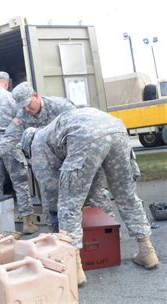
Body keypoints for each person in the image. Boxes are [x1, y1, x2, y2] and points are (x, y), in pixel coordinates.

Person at [21, 107, 159, 286]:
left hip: (86, 135)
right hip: (116, 128)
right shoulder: (52, 129)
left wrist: (55, 224)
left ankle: (76, 267)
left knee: (69, 203)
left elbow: (51, 192)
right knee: (127, 196)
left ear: (27, 146)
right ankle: (147, 251)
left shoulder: (37, 143)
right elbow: (95, 180)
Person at [0, 81, 114, 226]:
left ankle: (110, 228)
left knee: (94, 192)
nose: (26, 109)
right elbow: (10, 137)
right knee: (50, 199)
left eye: (28, 104)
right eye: (22, 107)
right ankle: (56, 236)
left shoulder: (61, 106)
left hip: (73, 158)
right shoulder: (22, 116)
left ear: (36, 95)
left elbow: (82, 130)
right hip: (49, 166)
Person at [0, 72, 37, 234]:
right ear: (7, 83)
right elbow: (21, 121)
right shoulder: (13, 98)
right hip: (12, 144)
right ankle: (27, 222)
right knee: (20, 183)